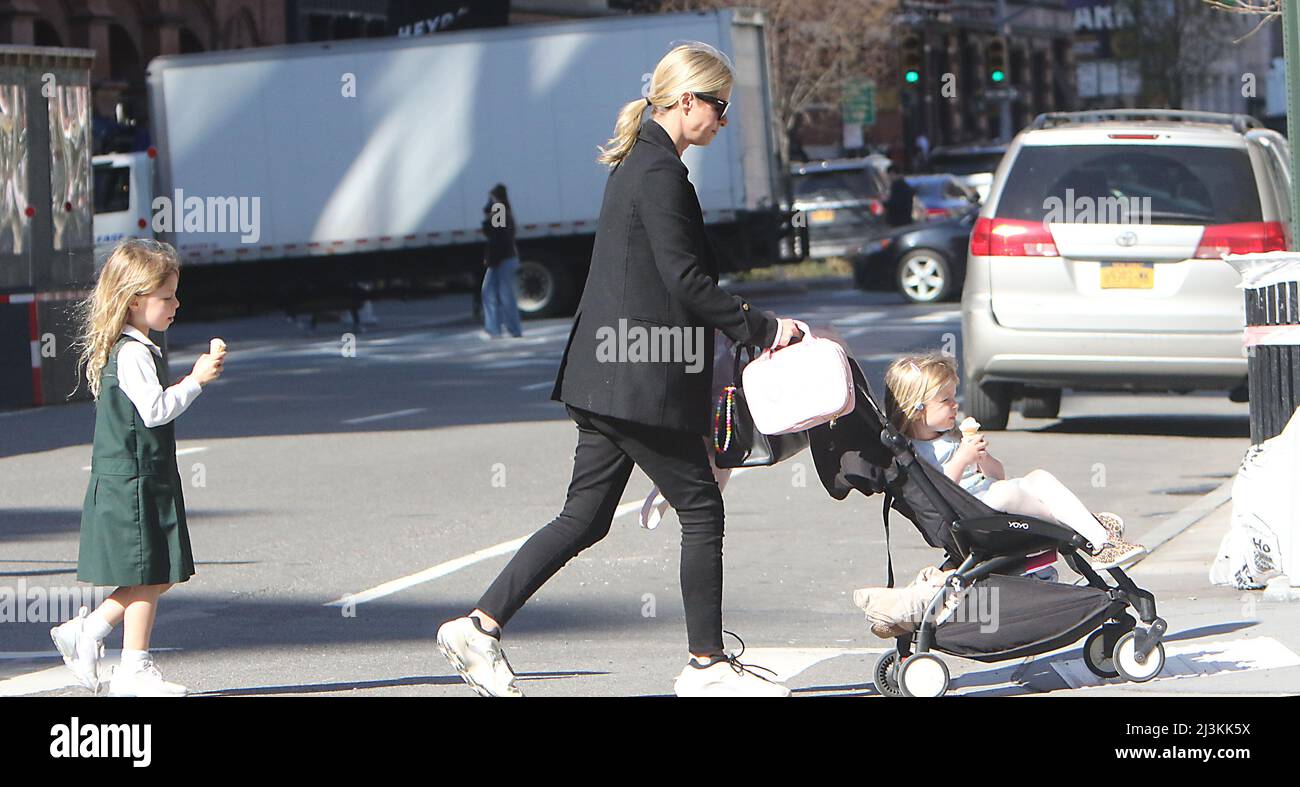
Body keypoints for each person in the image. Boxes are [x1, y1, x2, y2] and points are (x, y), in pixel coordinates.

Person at [436, 42, 805, 698]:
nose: (723, 121)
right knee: (700, 506)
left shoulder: (643, 164)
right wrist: (766, 328)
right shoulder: (658, 173)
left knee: (585, 515)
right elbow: (684, 280)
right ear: (686, 100)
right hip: (636, 378)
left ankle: (478, 626)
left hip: (612, 373)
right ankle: (706, 664)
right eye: (719, 107)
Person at [49, 239, 226, 697]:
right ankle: (131, 667)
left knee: (158, 570)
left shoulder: (135, 347)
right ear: (133, 300)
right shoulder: (132, 352)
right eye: (165, 297)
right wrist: (196, 380)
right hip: (135, 478)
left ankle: (90, 633)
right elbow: (154, 410)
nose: (175, 304)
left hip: (140, 475)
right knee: (153, 573)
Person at [883, 353, 1146, 571]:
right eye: (945, 400)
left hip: (989, 498)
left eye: (954, 397)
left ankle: (1098, 537)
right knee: (1008, 492)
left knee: (1038, 478)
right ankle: (1085, 530)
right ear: (916, 409)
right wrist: (962, 459)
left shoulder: (952, 438)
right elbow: (936, 493)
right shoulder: (915, 452)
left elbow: (998, 475)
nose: (955, 405)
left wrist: (982, 459)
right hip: (970, 515)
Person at [480, 184, 524, 338]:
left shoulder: (499, 209)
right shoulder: (503, 209)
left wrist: (493, 258)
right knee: (495, 293)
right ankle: (503, 329)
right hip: (504, 258)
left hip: (502, 259)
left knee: (498, 294)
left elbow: (497, 235)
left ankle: (502, 329)